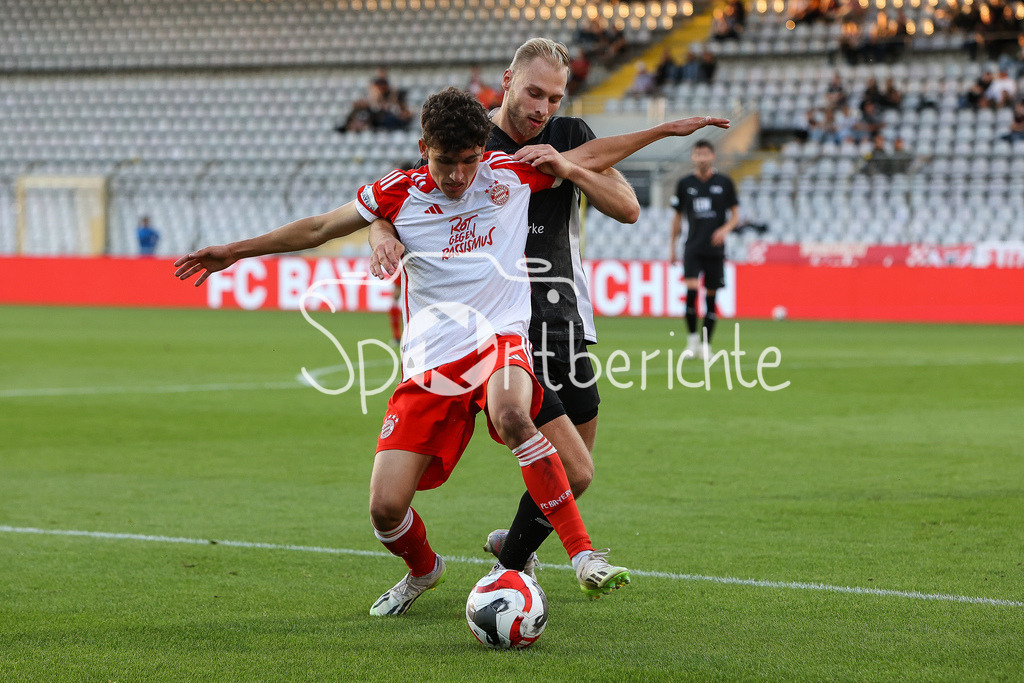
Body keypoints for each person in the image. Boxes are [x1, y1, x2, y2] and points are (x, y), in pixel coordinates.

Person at [173, 87, 635, 615]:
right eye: (444, 162)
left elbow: (592, 157)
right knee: (386, 509)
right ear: (423, 148)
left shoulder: (508, 174)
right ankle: (424, 571)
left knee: (512, 413)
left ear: (483, 151)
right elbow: (320, 227)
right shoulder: (397, 193)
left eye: (468, 161)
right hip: (430, 365)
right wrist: (233, 251)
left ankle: (582, 557)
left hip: (499, 342)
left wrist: (665, 130)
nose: (458, 176)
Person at [368, 38, 729, 582]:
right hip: (489, 322)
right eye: (534, 92)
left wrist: (567, 167)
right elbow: (401, 200)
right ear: (507, 80)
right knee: (529, 440)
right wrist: (377, 231)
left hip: (562, 312)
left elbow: (628, 208)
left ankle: (514, 545)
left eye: (555, 98)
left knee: (578, 465)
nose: (543, 108)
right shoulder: (468, 133)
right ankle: (509, 564)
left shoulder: (571, 136)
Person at [669, 140, 739, 359]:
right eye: (698, 154)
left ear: (712, 156)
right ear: (693, 157)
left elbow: (735, 215)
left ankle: (706, 344)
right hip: (692, 247)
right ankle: (691, 341)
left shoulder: (725, 182)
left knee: (711, 297)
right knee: (691, 293)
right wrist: (672, 246)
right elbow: (678, 217)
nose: (702, 157)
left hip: (715, 250)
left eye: (705, 154)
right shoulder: (684, 183)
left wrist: (725, 230)